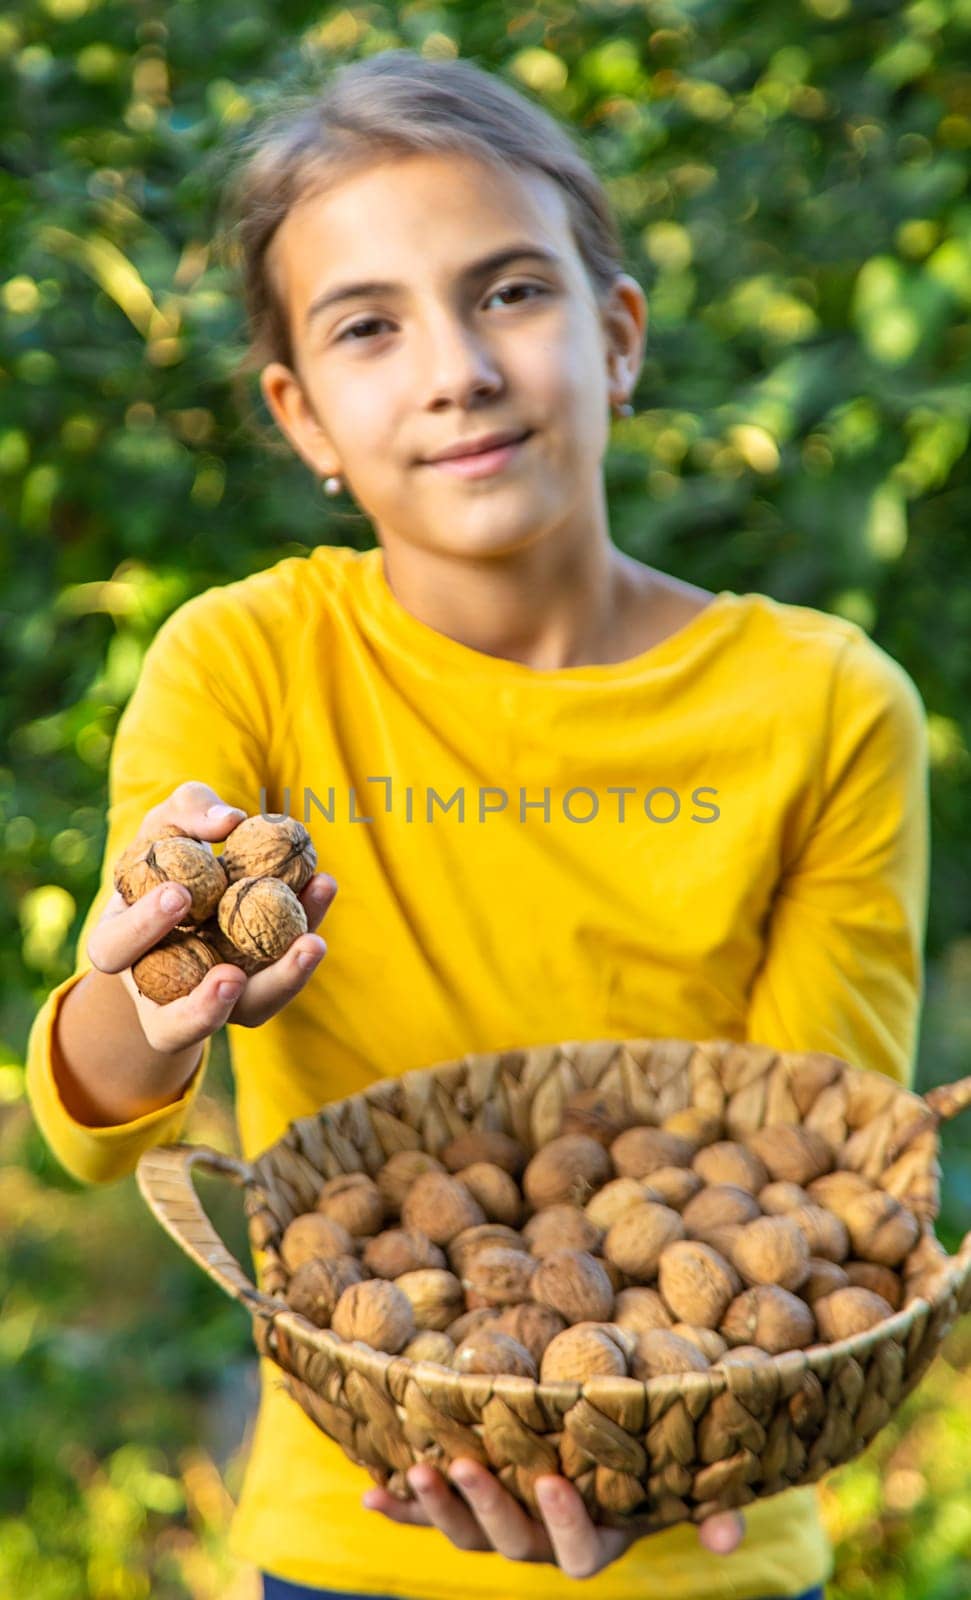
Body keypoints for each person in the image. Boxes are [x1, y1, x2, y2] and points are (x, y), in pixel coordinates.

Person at [25, 48, 928, 1600]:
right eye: (370, 326)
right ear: (303, 414)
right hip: (357, 1521)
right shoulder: (245, 664)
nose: (455, 367)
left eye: (510, 292)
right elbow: (95, 1129)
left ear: (618, 335)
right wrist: (152, 996)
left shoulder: (826, 703)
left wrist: (665, 1431)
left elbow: (820, 1172)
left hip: (709, 1513)